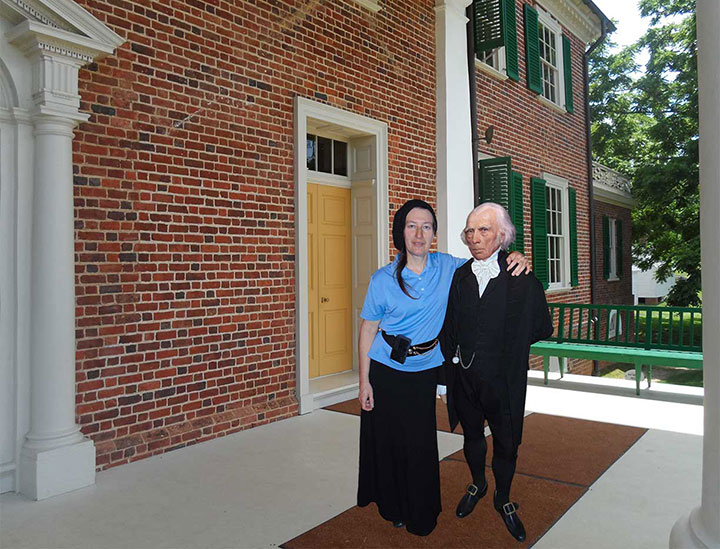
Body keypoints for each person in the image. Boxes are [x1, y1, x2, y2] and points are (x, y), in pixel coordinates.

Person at [356, 199, 529, 536]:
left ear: (434, 233)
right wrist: (364, 382)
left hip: (424, 371)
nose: (419, 233)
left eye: (426, 226)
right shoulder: (383, 279)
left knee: (419, 445)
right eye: (411, 225)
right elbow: (367, 330)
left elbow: (487, 260)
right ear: (400, 232)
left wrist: (516, 256)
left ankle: (421, 513)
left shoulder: (448, 267)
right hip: (385, 369)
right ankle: (393, 507)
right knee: (389, 443)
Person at [439, 202, 553, 542]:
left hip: (503, 382)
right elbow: (450, 328)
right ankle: (478, 483)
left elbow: (541, 328)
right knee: (471, 435)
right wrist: (446, 378)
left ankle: (503, 498)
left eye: (483, 230)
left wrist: (506, 348)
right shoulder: (460, 276)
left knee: (506, 443)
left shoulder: (522, 277)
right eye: (470, 231)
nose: (474, 238)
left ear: (502, 236)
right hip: (466, 378)